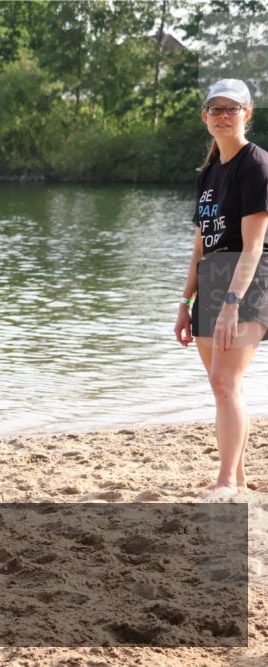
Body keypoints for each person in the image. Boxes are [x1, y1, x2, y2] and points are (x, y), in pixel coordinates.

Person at [174, 79, 268, 502]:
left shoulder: (257, 166)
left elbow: (253, 245)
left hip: (245, 278)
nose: (224, 115)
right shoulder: (209, 173)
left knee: (224, 380)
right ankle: (239, 477)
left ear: (248, 114)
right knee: (222, 386)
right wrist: (185, 301)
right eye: (217, 109)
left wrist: (232, 303)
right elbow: (201, 243)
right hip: (212, 276)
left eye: (233, 108)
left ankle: (227, 480)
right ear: (205, 117)